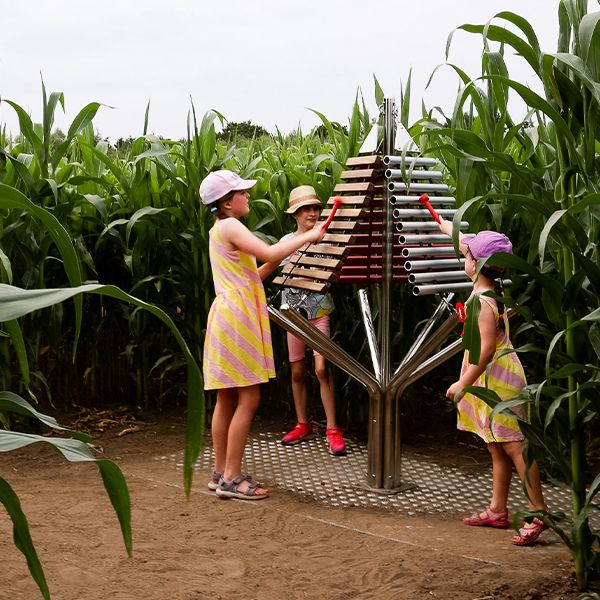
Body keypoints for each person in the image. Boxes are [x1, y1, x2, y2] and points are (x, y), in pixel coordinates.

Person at [200, 170, 326, 500]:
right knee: (250, 396)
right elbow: (269, 253)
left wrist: (282, 256)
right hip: (239, 318)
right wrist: (308, 237)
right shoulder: (231, 226)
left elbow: (254, 273)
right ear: (227, 203)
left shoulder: (218, 229)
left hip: (227, 313)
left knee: (226, 397)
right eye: (241, 193)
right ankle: (232, 477)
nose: (247, 197)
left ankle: (219, 472)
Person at [438, 218, 548, 546]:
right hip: (492, 378)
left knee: (515, 445)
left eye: (468, 257)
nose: (465, 260)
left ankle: (539, 512)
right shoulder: (490, 287)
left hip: (497, 379)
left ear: (479, 264)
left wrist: (462, 384)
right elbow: (469, 245)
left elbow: (484, 350)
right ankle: (498, 509)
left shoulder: (480, 303)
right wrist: (445, 227)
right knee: (496, 446)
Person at [276, 186, 346, 456]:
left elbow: (336, 276)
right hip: (293, 314)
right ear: (295, 214)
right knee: (296, 371)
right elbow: (279, 270)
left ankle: (332, 428)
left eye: (316, 208)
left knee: (320, 369)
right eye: (306, 209)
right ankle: (302, 423)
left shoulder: (327, 239)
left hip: (319, 313)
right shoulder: (286, 241)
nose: (313, 213)